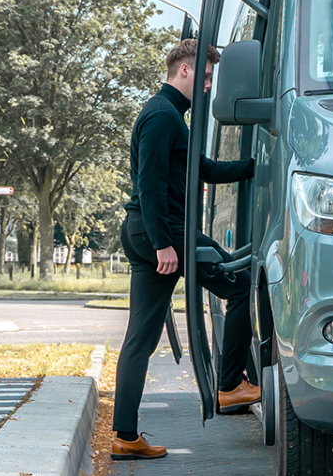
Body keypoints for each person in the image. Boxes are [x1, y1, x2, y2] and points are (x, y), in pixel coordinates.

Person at [108, 39, 260, 461]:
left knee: (141, 338)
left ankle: (124, 435)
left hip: (155, 232)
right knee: (243, 285)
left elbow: (204, 170)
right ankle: (230, 386)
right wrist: (163, 244)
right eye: (207, 76)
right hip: (165, 233)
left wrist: (256, 167)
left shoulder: (171, 116)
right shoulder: (161, 116)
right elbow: (150, 186)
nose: (210, 87)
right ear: (185, 70)